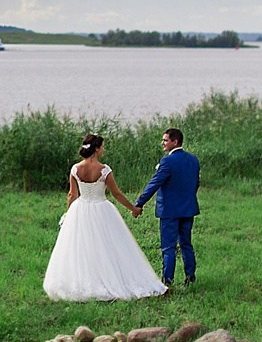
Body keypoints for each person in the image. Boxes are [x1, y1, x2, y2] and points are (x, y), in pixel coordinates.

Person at [42, 133, 168, 301]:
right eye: (102, 146)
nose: (104, 149)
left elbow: (72, 194)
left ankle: (84, 281)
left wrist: (69, 213)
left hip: (80, 209)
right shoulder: (104, 170)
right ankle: (108, 278)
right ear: (96, 149)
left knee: (81, 246)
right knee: (108, 245)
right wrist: (133, 208)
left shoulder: (75, 169)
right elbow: (115, 193)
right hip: (101, 208)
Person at [133, 126, 201, 289]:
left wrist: (139, 203)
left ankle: (167, 281)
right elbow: (196, 183)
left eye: (165, 140)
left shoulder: (167, 161)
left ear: (175, 141)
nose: (162, 143)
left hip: (170, 211)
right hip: (188, 208)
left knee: (168, 247)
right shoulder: (193, 159)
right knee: (186, 244)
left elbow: (154, 184)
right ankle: (190, 277)